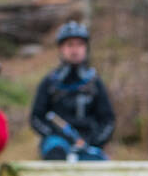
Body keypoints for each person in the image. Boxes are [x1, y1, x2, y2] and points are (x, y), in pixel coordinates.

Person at [30, 21, 115, 160]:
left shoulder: (95, 83)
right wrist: (53, 134)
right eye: (70, 45)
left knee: (98, 170)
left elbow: (108, 120)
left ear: (86, 48)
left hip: (89, 143)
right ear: (61, 48)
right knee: (55, 153)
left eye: (79, 44)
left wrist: (94, 142)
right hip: (57, 142)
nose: (75, 50)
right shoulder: (50, 83)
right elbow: (36, 118)